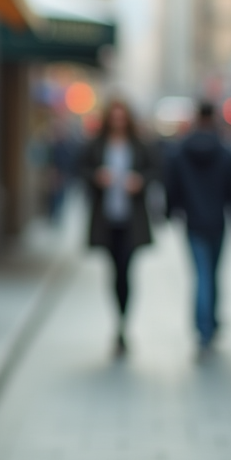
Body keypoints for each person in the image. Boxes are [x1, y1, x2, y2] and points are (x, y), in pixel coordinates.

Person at [79, 99, 154, 355]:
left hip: (131, 221)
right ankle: (119, 321)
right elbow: (81, 170)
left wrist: (140, 181)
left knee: (126, 270)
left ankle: (123, 324)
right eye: (114, 117)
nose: (118, 122)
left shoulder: (139, 146)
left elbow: (155, 170)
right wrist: (97, 177)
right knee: (114, 272)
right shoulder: (97, 145)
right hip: (107, 219)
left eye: (122, 117)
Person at [165, 101, 231, 351]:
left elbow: (172, 184)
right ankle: (211, 322)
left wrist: (170, 211)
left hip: (193, 221)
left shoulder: (181, 150)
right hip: (217, 220)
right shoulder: (224, 150)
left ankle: (204, 327)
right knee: (213, 273)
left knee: (201, 274)